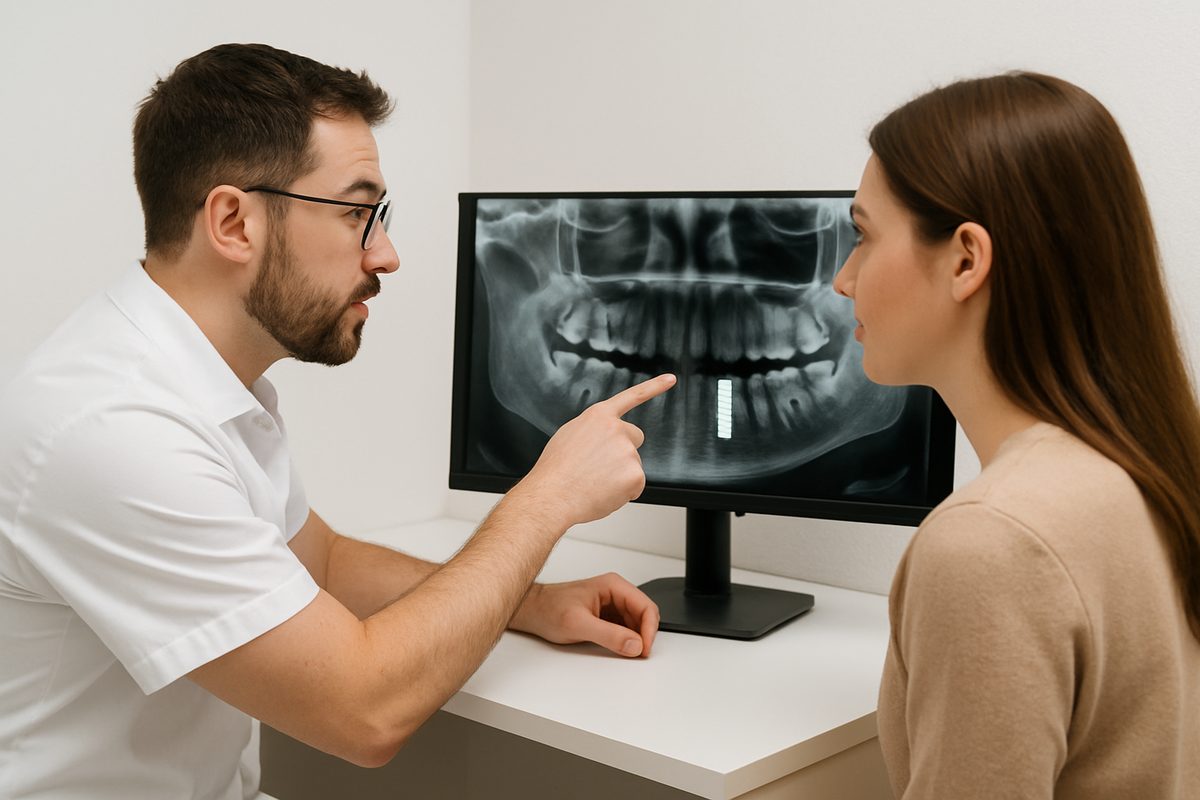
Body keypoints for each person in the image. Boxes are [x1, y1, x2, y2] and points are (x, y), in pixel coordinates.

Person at [0, 43, 676, 799]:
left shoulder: (198, 383)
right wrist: (546, 499)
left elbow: (318, 564)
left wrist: (533, 602)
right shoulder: (112, 429)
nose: (384, 254)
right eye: (358, 213)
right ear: (233, 222)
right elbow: (364, 712)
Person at [833, 72, 1200, 798]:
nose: (845, 279)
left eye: (863, 236)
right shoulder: (1143, 468)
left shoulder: (990, 544)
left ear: (967, 259)